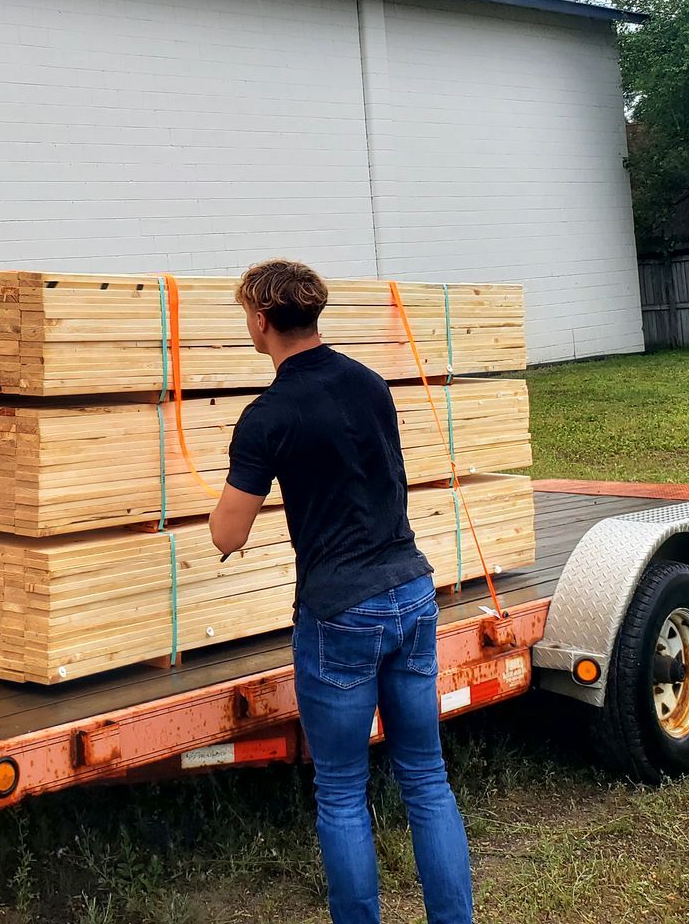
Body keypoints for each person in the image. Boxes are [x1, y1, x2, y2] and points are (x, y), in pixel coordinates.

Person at [208, 259, 473, 924]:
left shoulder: (266, 417)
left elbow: (228, 535)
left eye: (247, 314)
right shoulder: (369, 384)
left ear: (262, 321)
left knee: (343, 795)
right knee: (426, 779)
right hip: (411, 590)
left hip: (339, 614)